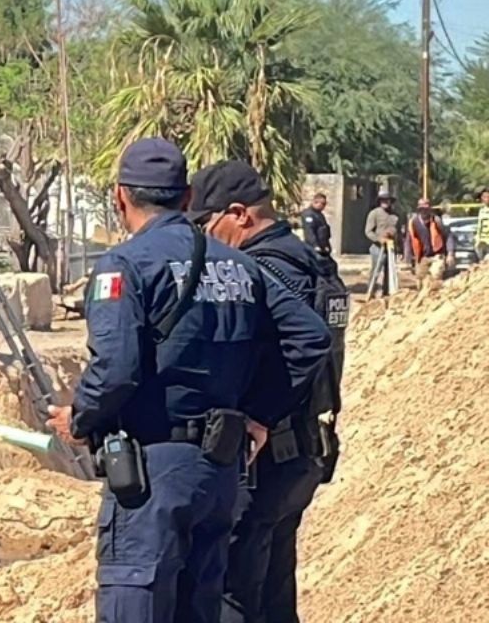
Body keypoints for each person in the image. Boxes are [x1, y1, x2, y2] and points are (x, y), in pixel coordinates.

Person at [47, 139, 330, 623]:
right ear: (186, 198)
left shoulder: (126, 264)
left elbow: (115, 370)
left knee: (134, 603)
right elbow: (311, 336)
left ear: (120, 197)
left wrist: (80, 418)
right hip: (220, 473)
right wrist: (259, 414)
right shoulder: (240, 264)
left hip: (151, 473)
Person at [187, 161, 346, 623]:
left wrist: (259, 414)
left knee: (234, 594)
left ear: (239, 214)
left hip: (268, 456)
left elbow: (307, 345)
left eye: (206, 223)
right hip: (302, 450)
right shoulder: (310, 262)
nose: (204, 236)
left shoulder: (263, 271)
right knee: (275, 592)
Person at [404, 198, 454, 293]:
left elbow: (448, 236)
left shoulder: (436, 221)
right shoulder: (414, 222)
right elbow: (408, 241)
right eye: (421, 209)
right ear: (418, 210)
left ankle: (436, 297)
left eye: (426, 209)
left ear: (429, 209)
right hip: (422, 257)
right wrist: (408, 258)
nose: (424, 211)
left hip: (437, 256)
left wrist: (450, 254)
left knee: (435, 278)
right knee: (420, 282)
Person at [364, 193, 401, 297]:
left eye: (387, 200)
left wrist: (400, 248)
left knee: (390, 272)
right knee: (377, 271)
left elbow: (399, 232)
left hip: (391, 248)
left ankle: (387, 293)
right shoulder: (374, 213)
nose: (385, 202)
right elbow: (368, 232)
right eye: (383, 200)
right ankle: (372, 293)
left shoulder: (395, 216)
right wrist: (379, 239)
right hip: (378, 248)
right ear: (380, 201)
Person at [475, 188, 489, 264]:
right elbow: (479, 226)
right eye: (484, 197)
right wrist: (477, 239)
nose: (486, 199)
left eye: (488, 197)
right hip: (482, 242)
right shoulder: (482, 210)